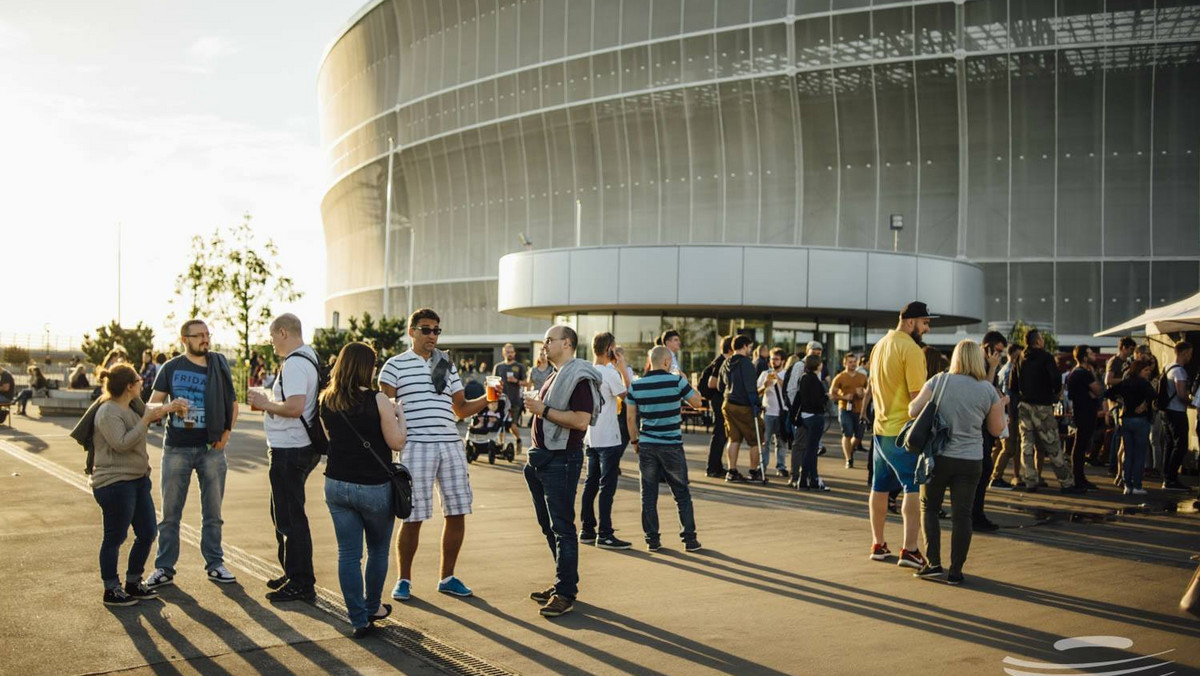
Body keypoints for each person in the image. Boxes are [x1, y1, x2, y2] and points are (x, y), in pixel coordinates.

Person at [378, 308, 490, 602]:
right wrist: (394, 442)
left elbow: (461, 409)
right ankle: (403, 580)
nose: (432, 335)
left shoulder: (447, 365)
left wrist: (489, 399)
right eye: (426, 329)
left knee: (457, 511)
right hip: (415, 446)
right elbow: (386, 410)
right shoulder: (394, 366)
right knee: (412, 515)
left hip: (450, 444)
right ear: (411, 331)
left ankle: (447, 577)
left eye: (437, 330)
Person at [319, 341, 407, 638]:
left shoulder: (326, 400)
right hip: (372, 487)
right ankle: (372, 607)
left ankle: (358, 619)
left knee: (348, 554)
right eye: (373, 363)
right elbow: (396, 443)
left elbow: (330, 440)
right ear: (365, 367)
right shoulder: (378, 399)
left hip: (335, 484)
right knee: (378, 549)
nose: (375, 369)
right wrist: (400, 416)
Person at [144, 319, 239, 590]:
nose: (205, 340)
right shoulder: (171, 367)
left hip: (212, 448)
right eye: (199, 336)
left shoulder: (219, 364)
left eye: (207, 334)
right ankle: (164, 568)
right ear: (184, 339)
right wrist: (170, 406)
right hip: (177, 447)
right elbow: (151, 406)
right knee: (170, 513)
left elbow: (232, 403)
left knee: (213, 512)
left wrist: (226, 435)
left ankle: (215, 563)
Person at [908, 340, 1006, 586]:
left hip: (938, 457)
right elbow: (996, 429)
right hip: (971, 459)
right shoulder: (987, 389)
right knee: (962, 515)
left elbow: (912, 410)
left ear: (955, 358)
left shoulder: (939, 381)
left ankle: (933, 564)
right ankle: (956, 571)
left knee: (929, 508)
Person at [522, 325, 601, 618]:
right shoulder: (556, 375)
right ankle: (562, 582)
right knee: (549, 526)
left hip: (561, 460)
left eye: (549, 340)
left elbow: (581, 421)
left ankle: (566, 592)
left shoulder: (578, 377)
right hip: (541, 460)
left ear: (566, 343)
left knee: (563, 528)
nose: (544, 345)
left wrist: (542, 410)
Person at [90, 363, 186, 605]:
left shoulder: (131, 406)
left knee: (147, 532)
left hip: (137, 480)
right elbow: (121, 443)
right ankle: (111, 588)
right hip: (115, 483)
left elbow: (149, 414)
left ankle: (133, 581)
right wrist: (144, 421)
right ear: (129, 386)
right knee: (115, 536)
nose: (142, 382)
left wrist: (170, 408)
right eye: (138, 379)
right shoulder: (108, 412)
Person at [247, 314, 323, 602]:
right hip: (297, 446)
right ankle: (292, 571)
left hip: (290, 448)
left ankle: (302, 581)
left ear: (282, 332)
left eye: (271, 336)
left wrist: (266, 403)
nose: (270, 343)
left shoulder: (294, 363)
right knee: (282, 513)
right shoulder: (310, 357)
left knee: (290, 517)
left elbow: (294, 407)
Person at [867, 301, 934, 570]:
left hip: (880, 429)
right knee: (913, 487)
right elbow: (917, 398)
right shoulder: (911, 349)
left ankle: (878, 544)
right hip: (903, 431)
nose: (926, 329)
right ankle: (910, 549)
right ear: (910, 322)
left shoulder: (880, 345)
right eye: (925, 323)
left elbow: (872, 387)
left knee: (879, 487)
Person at [626, 345, 704, 556]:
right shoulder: (676, 381)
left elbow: (631, 418)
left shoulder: (636, 386)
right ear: (668, 362)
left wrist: (635, 442)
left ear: (650, 362)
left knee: (648, 496)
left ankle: (652, 540)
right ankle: (690, 540)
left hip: (648, 445)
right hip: (672, 446)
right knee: (681, 494)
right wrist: (685, 380)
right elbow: (697, 403)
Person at [1012, 329, 1084, 494]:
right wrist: (1054, 394)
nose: (1043, 341)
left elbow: (1012, 385)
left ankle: (1030, 481)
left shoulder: (1020, 358)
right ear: (1037, 342)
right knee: (1052, 444)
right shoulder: (1046, 357)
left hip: (1024, 405)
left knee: (1026, 445)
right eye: (1042, 339)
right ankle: (1066, 483)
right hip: (1042, 406)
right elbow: (1056, 378)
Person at [579, 332, 631, 550]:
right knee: (606, 486)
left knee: (591, 483)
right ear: (610, 348)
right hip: (608, 436)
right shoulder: (609, 373)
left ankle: (587, 529)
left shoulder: (586, 371)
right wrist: (622, 369)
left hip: (591, 436)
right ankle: (605, 533)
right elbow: (627, 395)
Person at [971, 331, 1008, 533]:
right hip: (977, 425)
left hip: (984, 424)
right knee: (983, 468)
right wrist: (993, 367)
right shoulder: (978, 362)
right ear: (988, 348)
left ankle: (976, 513)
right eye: (998, 351)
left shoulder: (984, 362)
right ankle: (975, 515)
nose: (1000, 356)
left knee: (984, 468)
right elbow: (984, 389)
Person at [1105, 359, 1156, 496]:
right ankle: (1137, 485)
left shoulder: (1125, 383)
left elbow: (1108, 393)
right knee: (1139, 455)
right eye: (1146, 370)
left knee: (1128, 453)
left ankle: (1127, 485)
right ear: (1139, 370)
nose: (1148, 373)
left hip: (1126, 419)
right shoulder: (1144, 383)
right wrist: (1145, 404)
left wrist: (1121, 401)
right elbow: (1153, 395)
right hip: (1140, 420)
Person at [719, 335, 765, 484]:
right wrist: (757, 405)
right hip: (743, 405)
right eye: (750, 347)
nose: (750, 350)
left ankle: (731, 471)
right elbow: (750, 387)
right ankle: (753, 471)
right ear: (745, 346)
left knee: (733, 438)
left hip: (727, 403)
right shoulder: (746, 363)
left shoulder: (726, 362)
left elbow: (720, 385)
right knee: (755, 439)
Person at [789, 354, 830, 491]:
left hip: (804, 416)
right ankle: (805, 478)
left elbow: (799, 398)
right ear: (818, 365)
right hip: (814, 416)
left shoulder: (803, 378)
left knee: (808, 448)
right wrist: (825, 398)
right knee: (811, 450)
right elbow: (815, 400)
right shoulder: (814, 380)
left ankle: (812, 479)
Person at [1066, 345, 1104, 491]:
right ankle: (1079, 479)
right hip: (1086, 412)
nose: (1094, 355)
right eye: (1090, 353)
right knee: (1081, 445)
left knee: (1080, 444)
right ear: (1084, 357)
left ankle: (1079, 477)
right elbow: (1098, 390)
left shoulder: (1074, 373)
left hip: (1081, 411)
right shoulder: (1084, 373)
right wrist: (1094, 386)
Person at [989, 343, 1024, 488]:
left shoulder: (1003, 369)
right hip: (1008, 414)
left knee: (998, 447)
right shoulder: (1010, 371)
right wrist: (1010, 416)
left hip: (1001, 413)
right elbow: (1007, 396)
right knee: (1009, 448)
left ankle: (989, 474)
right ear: (1015, 354)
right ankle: (996, 477)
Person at [1160, 341, 1193, 492]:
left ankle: (1167, 477)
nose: (1191, 356)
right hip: (1177, 412)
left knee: (1169, 444)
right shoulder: (1180, 371)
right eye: (1190, 353)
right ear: (1184, 352)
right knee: (1180, 445)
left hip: (1165, 411)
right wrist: (1192, 402)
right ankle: (1171, 479)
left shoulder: (1167, 367)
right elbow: (1181, 394)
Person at [699, 337, 733, 478]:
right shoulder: (721, 362)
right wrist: (726, 385)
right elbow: (711, 383)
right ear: (731, 349)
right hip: (718, 400)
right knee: (719, 434)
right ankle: (712, 467)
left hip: (717, 400)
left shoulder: (720, 361)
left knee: (721, 434)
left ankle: (717, 466)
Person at [830, 353, 868, 470]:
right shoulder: (840, 377)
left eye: (854, 362)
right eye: (850, 362)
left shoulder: (862, 377)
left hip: (859, 409)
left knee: (859, 436)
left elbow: (869, 391)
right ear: (845, 363)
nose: (853, 364)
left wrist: (863, 394)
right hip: (845, 409)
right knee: (847, 433)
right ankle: (849, 459)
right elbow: (832, 394)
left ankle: (850, 450)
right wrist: (844, 397)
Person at [756, 348, 789, 478]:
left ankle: (781, 467)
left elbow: (788, 391)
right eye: (771, 359)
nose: (773, 362)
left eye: (776, 359)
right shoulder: (765, 374)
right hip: (768, 412)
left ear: (783, 361)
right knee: (765, 442)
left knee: (781, 442)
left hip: (782, 412)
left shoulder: (786, 374)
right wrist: (765, 385)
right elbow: (757, 391)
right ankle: (762, 466)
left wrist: (778, 380)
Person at [493, 343, 527, 452]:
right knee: (500, 424)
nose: (510, 354)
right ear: (503, 353)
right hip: (500, 401)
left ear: (515, 353)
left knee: (513, 425)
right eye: (508, 352)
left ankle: (518, 440)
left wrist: (516, 381)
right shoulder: (498, 367)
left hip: (514, 400)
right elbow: (493, 382)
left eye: (512, 352)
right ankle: (501, 445)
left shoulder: (520, 366)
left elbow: (526, 383)